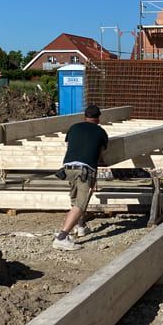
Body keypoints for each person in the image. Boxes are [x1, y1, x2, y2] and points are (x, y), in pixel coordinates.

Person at [53, 104, 109, 251]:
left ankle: (81, 226)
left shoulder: (74, 128)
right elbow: (100, 156)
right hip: (85, 170)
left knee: (75, 199)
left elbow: (70, 146)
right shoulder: (101, 132)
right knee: (81, 204)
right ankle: (62, 237)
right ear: (98, 118)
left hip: (68, 167)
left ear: (84, 117)